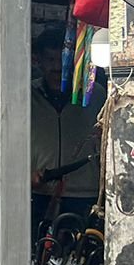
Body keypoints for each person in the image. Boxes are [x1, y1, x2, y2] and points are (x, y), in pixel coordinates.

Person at [32, 31, 101, 225]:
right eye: (50, 59)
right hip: (37, 189)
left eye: (62, 60)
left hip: (85, 190)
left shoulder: (95, 95)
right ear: (39, 61)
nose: (57, 67)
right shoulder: (27, 95)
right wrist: (24, 172)